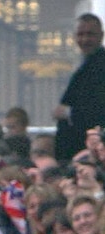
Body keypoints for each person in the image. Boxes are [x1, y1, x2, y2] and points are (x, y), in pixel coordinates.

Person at [54, 13, 105, 163]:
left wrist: (69, 112)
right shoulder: (85, 63)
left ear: (101, 35)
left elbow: (99, 106)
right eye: (80, 34)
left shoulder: (101, 65)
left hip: (89, 150)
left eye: (90, 34)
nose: (85, 39)